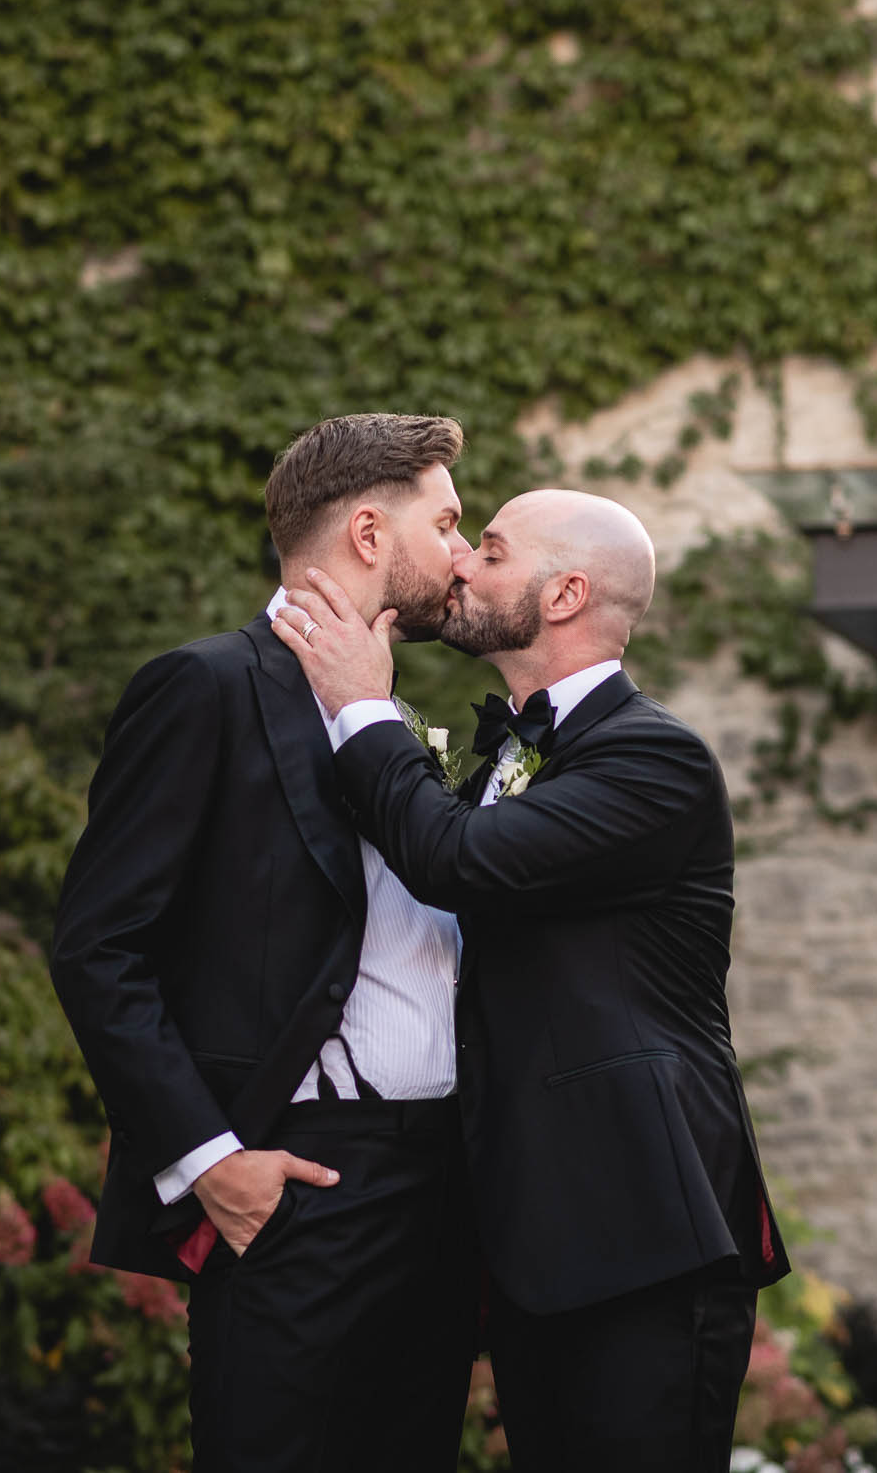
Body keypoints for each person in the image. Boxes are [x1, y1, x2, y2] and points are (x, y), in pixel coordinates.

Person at [270, 487, 790, 1473]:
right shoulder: (515, 754)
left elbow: (455, 859)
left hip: (639, 1229)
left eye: (494, 550)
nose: (464, 562)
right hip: (536, 1239)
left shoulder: (655, 759)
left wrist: (362, 704)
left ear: (563, 595)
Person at [48, 413, 479, 1473]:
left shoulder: (391, 714)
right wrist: (211, 1160)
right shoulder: (204, 687)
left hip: (438, 1190)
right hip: (296, 1183)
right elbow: (99, 947)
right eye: (447, 524)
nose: (464, 554)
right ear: (369, 533)